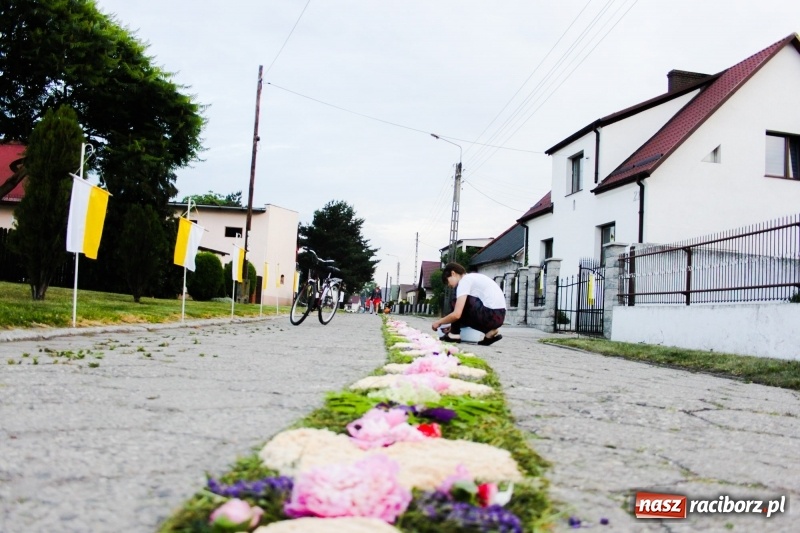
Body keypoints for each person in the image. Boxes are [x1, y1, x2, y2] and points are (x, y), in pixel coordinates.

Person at [431, 262, 505, 346]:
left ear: (453, 273)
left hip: (490, 313)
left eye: (447, 281)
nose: (449, 285)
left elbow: (457, 315)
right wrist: (452, 326)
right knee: (461, 303)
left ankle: (454, 335)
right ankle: (488, 332)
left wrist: (439, 322)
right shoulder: (473, 277)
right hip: (499, 317)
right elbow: (465, 315)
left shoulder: (464, 280)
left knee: (457, 300)